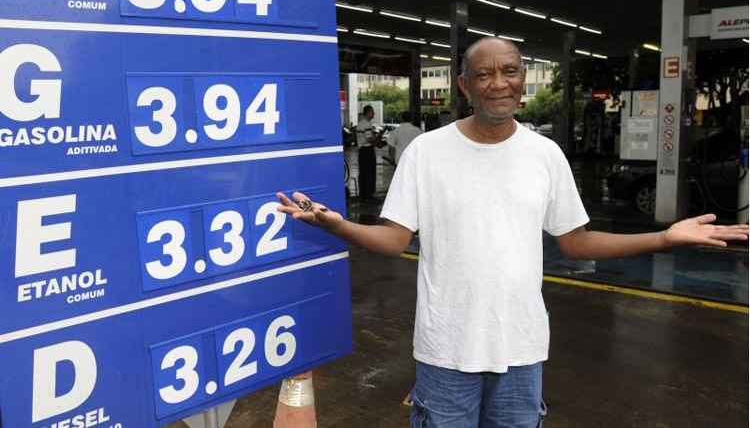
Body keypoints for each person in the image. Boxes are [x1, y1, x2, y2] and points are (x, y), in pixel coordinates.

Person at [277, 37, 748, 428]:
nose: (498, 83)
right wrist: (336, 224)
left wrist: (664, 238)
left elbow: (577, 241)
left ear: (523, 80)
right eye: (483, 74)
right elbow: (394, 240)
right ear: (464, 85)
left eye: (510, 71)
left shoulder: (545, 156)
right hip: (445, 351)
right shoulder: (427, 152)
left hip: (521, 352)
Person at [356, 105, 377, 201]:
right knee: (369, 173)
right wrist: (378, 143)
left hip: (362, 151)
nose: (374, 114)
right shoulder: (366, 124)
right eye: (372, 112)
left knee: (364, 173)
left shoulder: (361, 123)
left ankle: (364, 195)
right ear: (368, 112)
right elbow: (369, 139)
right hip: (367, 151)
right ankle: (369, 195)